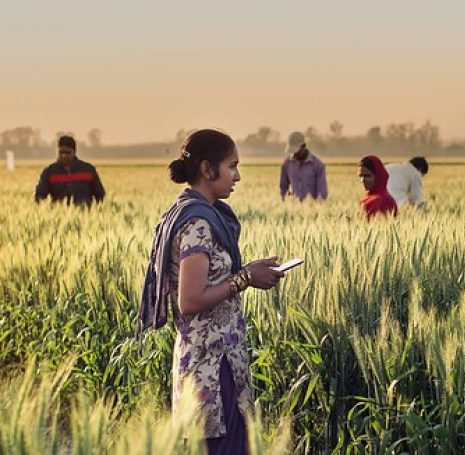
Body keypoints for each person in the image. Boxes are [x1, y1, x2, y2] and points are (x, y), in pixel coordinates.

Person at [139, 129, 284, 454]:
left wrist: (248, 271)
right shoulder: (198, 224)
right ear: (207, 169)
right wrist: (245, 278)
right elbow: (189, 300)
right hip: (212, 371)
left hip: (211, 362)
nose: (238, 176)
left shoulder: (192, 213)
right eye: (232, 166)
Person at [35, 135, 105, 206]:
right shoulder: (49, 172)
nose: (64, 155)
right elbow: (40, 196)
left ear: (75, 152)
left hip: (86, 213)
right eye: (61, 152)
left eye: (67, 152)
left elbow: (100, 194)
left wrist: (97, 210)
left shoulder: (88, 170)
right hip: (59, 214)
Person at [279, 131, 328, 201]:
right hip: (293, 207)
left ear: (304, 146)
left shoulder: (318, 165)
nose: (294, 154)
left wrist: (317, 207)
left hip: (313, 208)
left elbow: (321, 193)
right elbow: (283, 188)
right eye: (292, 151)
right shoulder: (287, 163)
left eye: (296, 151)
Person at [358, 155, 398, 220]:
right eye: (360, 176)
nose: (362, 180)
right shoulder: (368, 198)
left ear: (378, 176)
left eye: (367, 176)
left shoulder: (384, 200)